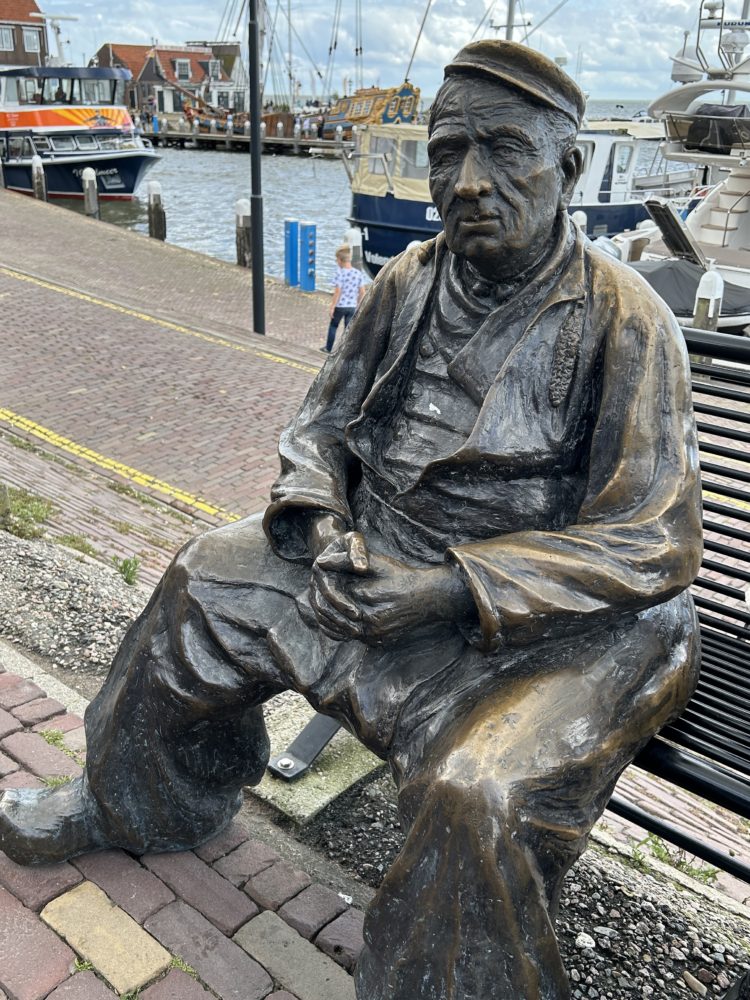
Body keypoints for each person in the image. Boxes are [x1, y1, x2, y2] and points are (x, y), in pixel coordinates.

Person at [0, 41, 702, 1000]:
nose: (469, 183)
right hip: (386, 555)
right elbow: (320, 424)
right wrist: (326, 529)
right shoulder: (408, 279)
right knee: (204, 576)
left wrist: (453, 588)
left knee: (475, 790)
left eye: (504, 151)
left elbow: (654, 537)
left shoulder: (626, 320)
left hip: (567, 620)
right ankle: (140, 804)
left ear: (568, 170)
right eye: (447, 153)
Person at [322, 245, 367, 352]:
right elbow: (362, 292)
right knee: (348, 330)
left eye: (336, 260)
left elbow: (337, 292)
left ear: (340, 260)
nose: (336, 262)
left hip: (340, 306)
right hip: (352, 307)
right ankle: (345, 351)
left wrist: (332, 307)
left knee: (333, 326)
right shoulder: (358, 273)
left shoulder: (340, 273)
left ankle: (328, 349)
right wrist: (358, 304)